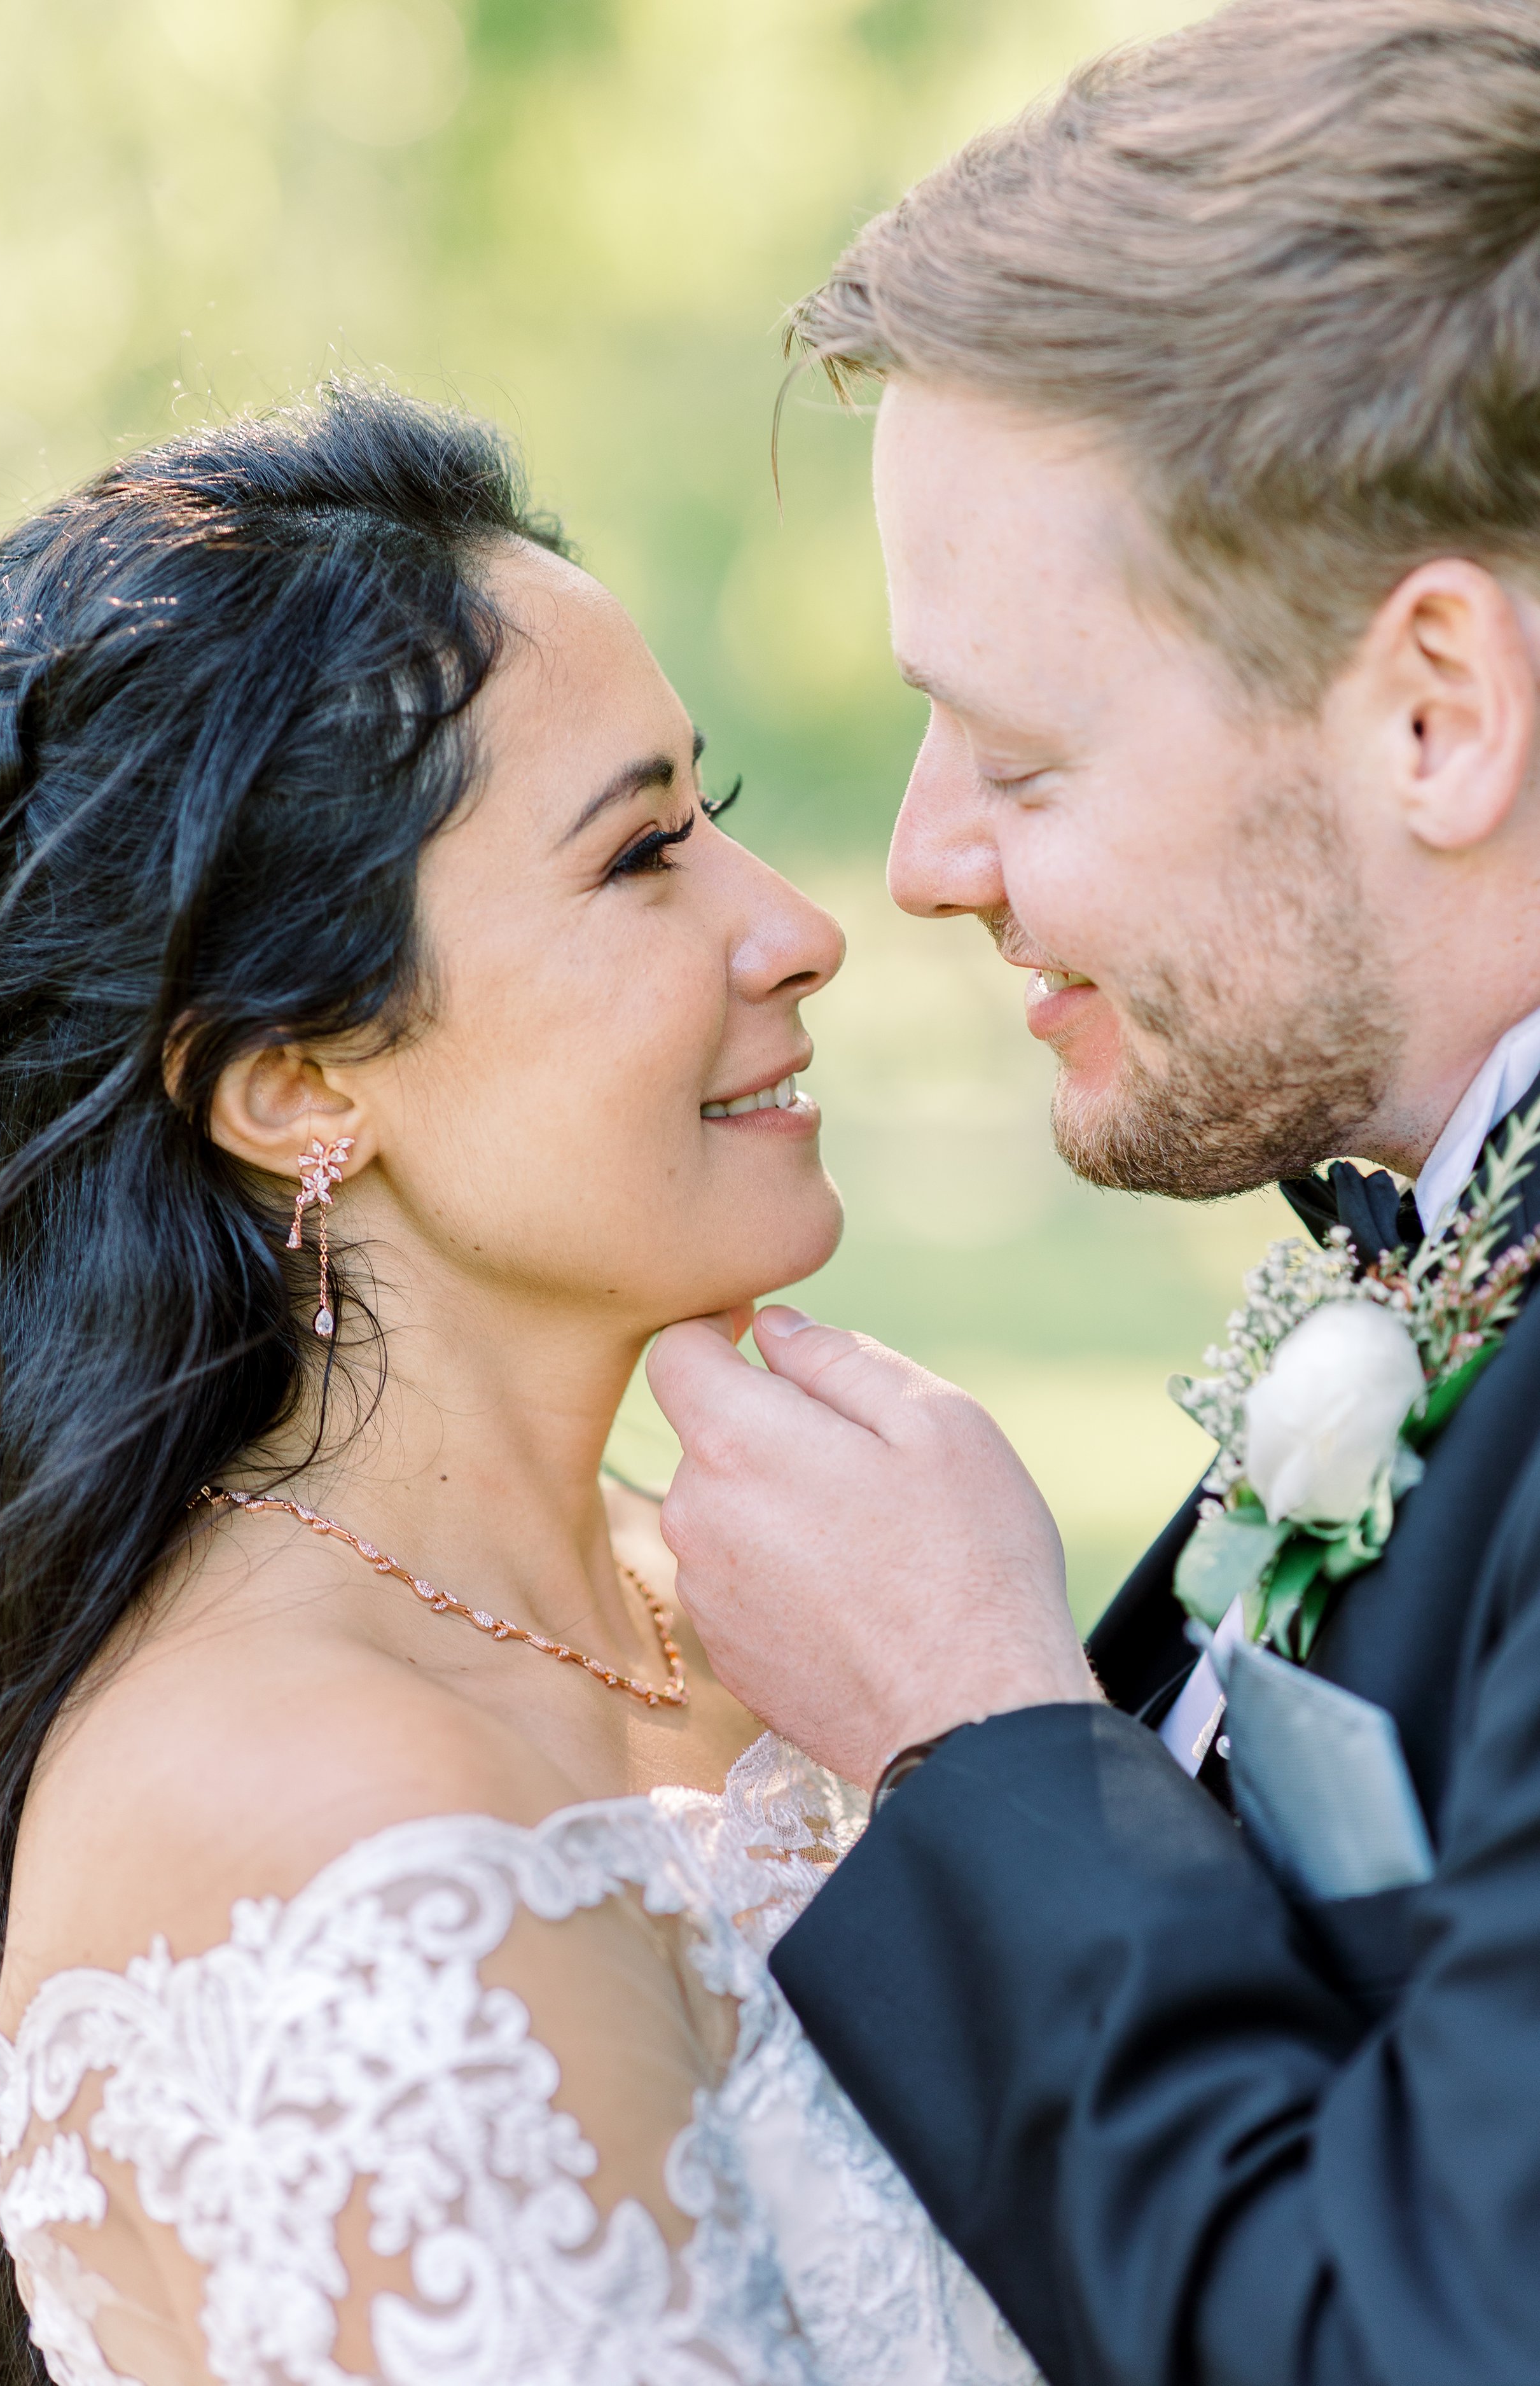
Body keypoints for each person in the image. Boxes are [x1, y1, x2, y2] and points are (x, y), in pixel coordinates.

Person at [0, 385, 1039, 2385]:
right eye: (641, 857)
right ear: (293, 1083)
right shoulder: (317, 1805)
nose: (796, 931)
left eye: (710, 815)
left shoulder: (775, 1612)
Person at [645, 3, 1540, 2380]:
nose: (917, 863)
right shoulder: (1451, 1235)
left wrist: (969, 1728)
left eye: (1023, 759)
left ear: (1435, 707)